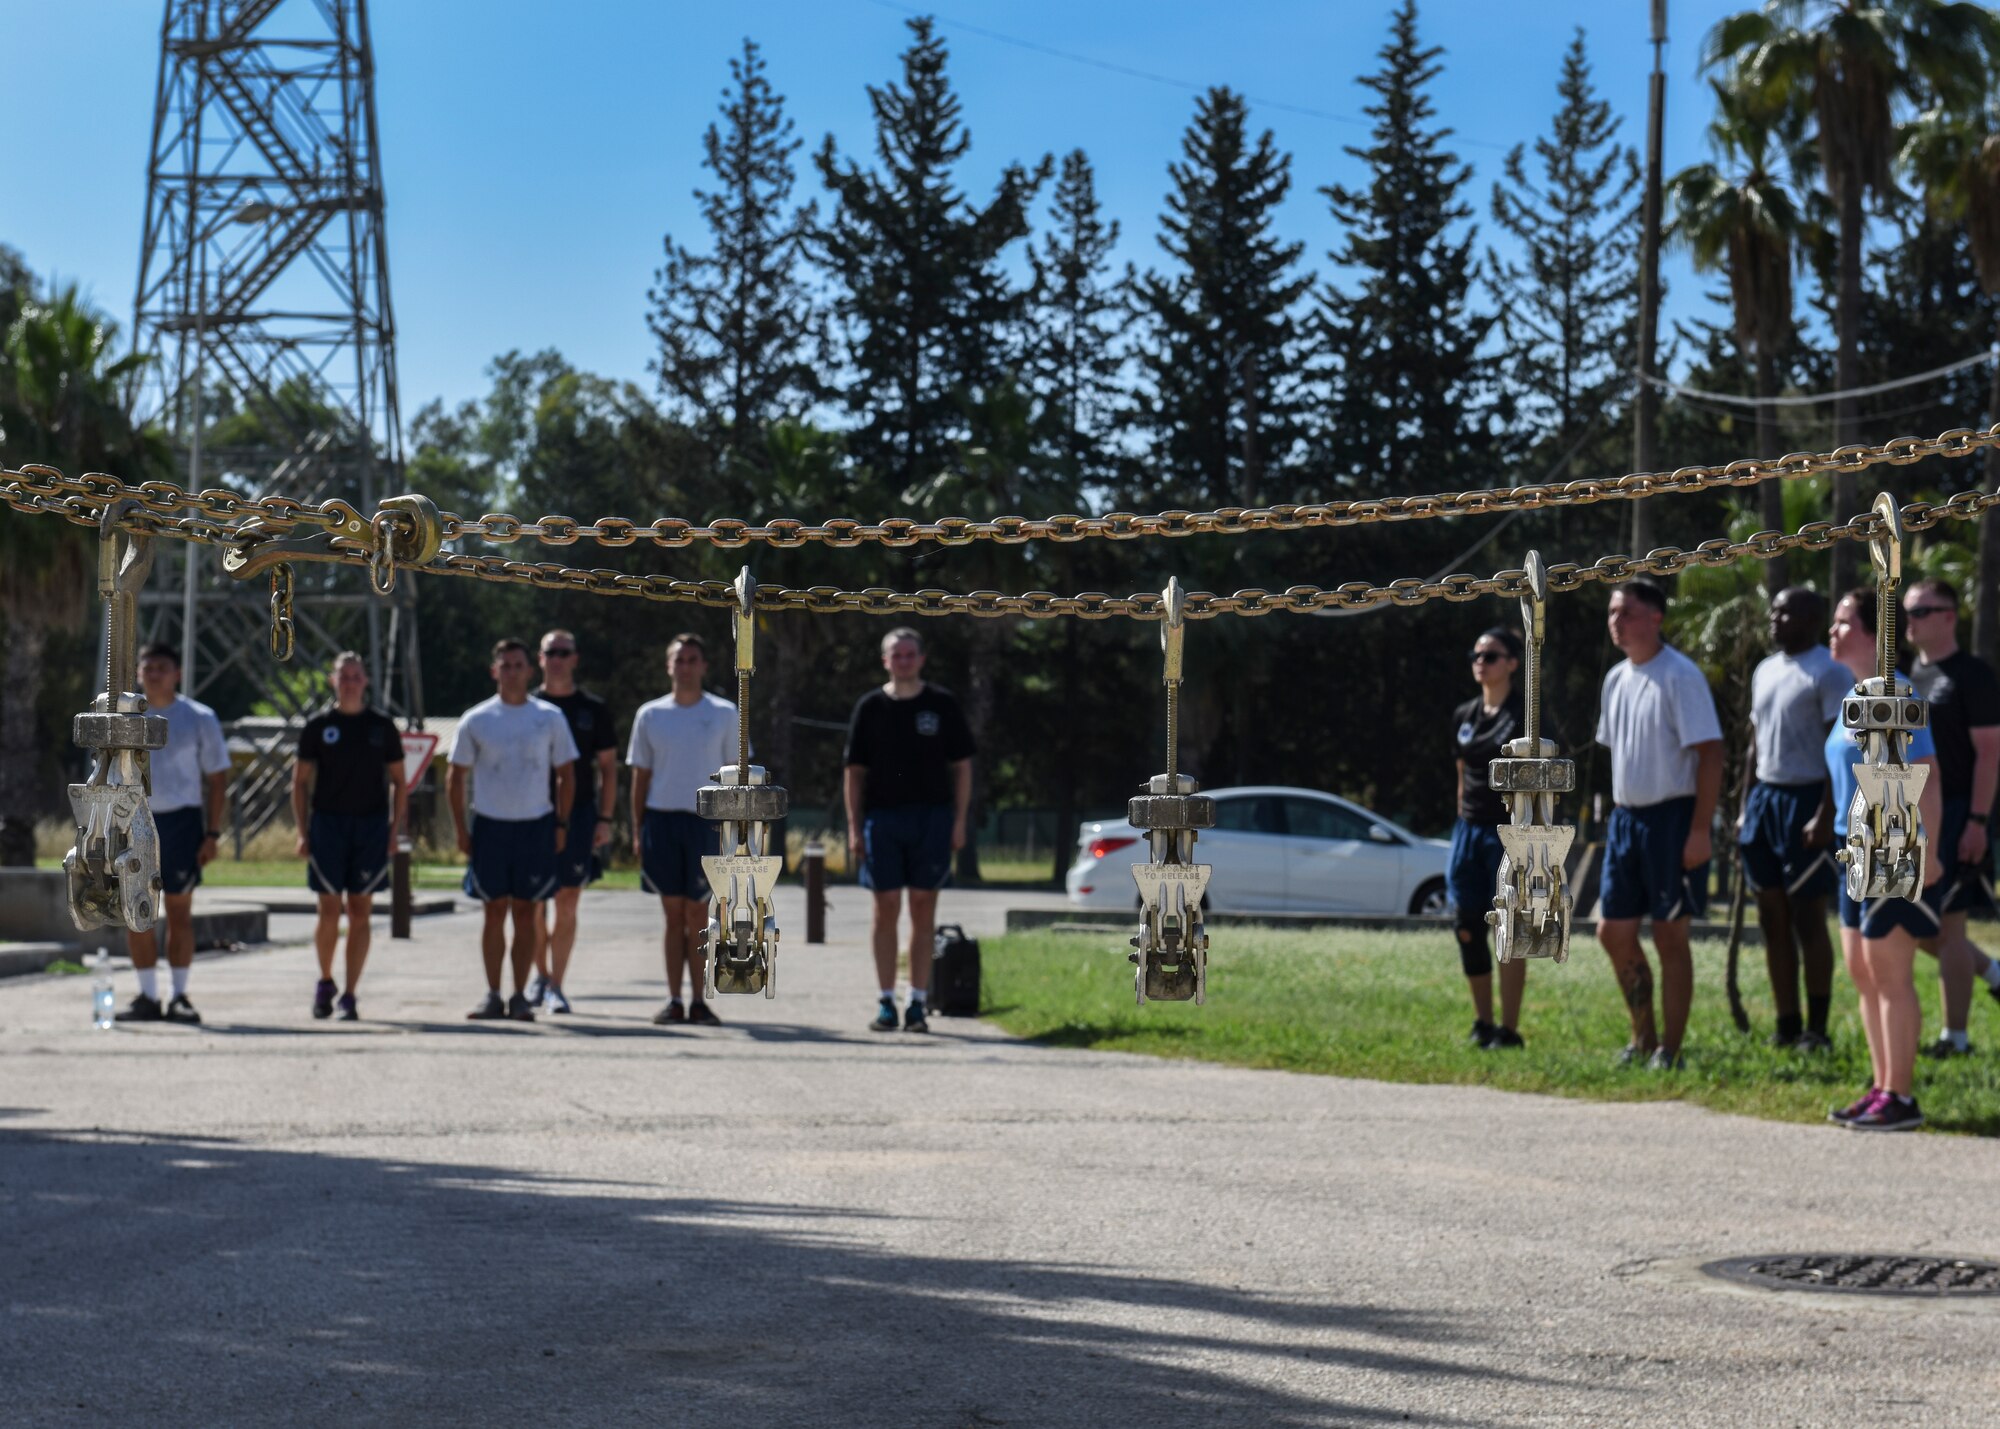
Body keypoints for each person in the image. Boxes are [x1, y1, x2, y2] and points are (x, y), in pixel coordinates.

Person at [1824, 589, 1945, 1131]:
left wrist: (1932, 851)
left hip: (1893, 847)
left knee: (1891, 972)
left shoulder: (1898, 693)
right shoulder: (1856, 694)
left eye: (1843, 621)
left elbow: (1929, 776)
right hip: (1851, 850)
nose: (1833, 630)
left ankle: (1902, 1096)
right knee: (1863, 972)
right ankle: (1880, 1088)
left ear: (1874, 633)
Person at [1595, 580, 1724, 1070]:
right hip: (1626, 820)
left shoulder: (1680, 675)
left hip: (1672, 818)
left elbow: (1711, 754)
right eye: (1612, 612)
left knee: (1671, 937)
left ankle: (1670, 1048)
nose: (1616, 621)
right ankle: (1641, 1037)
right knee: (1613, 932)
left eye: (1626, 612)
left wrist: (1698, 830)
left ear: (1655, 618)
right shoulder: (1615, 679)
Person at [844, 627, 975, 1034]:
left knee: (923, 909)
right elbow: (853, 773)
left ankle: (917, 1003)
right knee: (885, 910)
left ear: (921, 658)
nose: (903, 660)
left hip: (932, 819)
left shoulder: (942, 705)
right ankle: (886, 1002)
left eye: (909, 654)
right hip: (882, 820)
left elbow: (963, 767)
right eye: (895, 654)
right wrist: (853, 828)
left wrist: (958, 821)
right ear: (885, 660)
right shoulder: (870, 707)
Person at [1738, 588, 1850, 1051]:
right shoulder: (1765, 670)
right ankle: (1786, 1023)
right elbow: (1753, 744)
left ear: (1810, 618)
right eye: (1774, 610)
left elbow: (1836, 747)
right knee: (1772, 916)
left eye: (1786, 611)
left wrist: (1827, 812)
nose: (1775, 618)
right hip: (1766, 799)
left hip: (1808, 801)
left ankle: (1816, 1030)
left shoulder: (1829, 672)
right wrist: (1745, 805)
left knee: (1807, 917)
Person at [447, 638, 578, 1022]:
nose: (512, 671)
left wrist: (560, 822)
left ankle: (520, 995)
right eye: (504, 665)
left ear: (529, 670)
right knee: (492, 912)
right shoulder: (477, 719)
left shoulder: (549, 717)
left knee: (526, 913)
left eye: (518, 664)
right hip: (490, 827)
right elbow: (455, 777)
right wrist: (460, 828)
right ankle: (492, 994)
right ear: (494, 671)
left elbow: (566, 775)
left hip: (535, 827)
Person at [1902, 577, 2000, 1057]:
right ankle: (1995, 972)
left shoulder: (1973, 675)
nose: (1911, 621)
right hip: (1911, 810)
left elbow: (1989, 753)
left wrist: (1978, 822)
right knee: (1912, 923)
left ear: (1949, 616)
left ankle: (1955, 1039)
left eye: (1922, 611)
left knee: (1950, 928)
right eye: (1908, 612)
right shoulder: (1901, 674)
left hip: (1959, 810)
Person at [113, 643, 231, 1025]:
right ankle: (148, 996)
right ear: (138, 673)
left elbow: (217, 779)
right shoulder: (125, 718)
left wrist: (212, 833)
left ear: (177, 674)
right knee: (137, 911)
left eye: (163, 667)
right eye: (148, 667)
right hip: (135, 819)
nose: (155, 674)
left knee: (179, 911)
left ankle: (179, 995)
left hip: (181, 822)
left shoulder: (199, 718)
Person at [628, 633, 738, 1026]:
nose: (686, 666)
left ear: (704, 666)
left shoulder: (725, 713)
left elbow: (737, 780)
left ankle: (700, 1001)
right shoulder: (651, 715)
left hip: (706, 823)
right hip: (662, 819)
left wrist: (737, 833)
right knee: (672, 915)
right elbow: (640, 776)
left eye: (693, 659)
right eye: (679, 659)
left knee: (699, 914)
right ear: (668, 665)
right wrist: (638, 829)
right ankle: (674, 1000)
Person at [291, 651, 408, 1021]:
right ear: (333, 681)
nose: (350, 682)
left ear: (366, 681)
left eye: (357, 676)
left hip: (370, 827)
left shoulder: (382, 727)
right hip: (328, 825)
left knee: (360, 911)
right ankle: (325, 982)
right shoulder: (317, 726)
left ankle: (351, 994)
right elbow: (299, 783)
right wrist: (302, 831)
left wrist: (393, 830)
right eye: (344, 676)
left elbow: (399, 783)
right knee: (329, 909)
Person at [527, 628, 619, 1015]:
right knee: (532, 904)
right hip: (533, 814)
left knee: (566, 903)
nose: (558, 659)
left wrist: (605, 818)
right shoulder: (528, 707)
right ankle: (540, 976)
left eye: (565, 652)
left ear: (575, 659)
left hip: (580, 815)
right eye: (552, 652)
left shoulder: (593, 710)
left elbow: (609, 770)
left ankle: (557, 986)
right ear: (540, 658)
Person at [1448, 627, 1528, 1049]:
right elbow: (1463, 774)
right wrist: (1462, 819)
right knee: (1466, 925)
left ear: (1513, 663)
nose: (1481, 662)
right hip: (1468, 831)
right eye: (1476, 654)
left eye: (1492, 656)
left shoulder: (1525, 717)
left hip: (1507, 834)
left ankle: (1509, 1030)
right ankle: (1482, 1022)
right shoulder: (1464, 715)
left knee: (1509, 930)